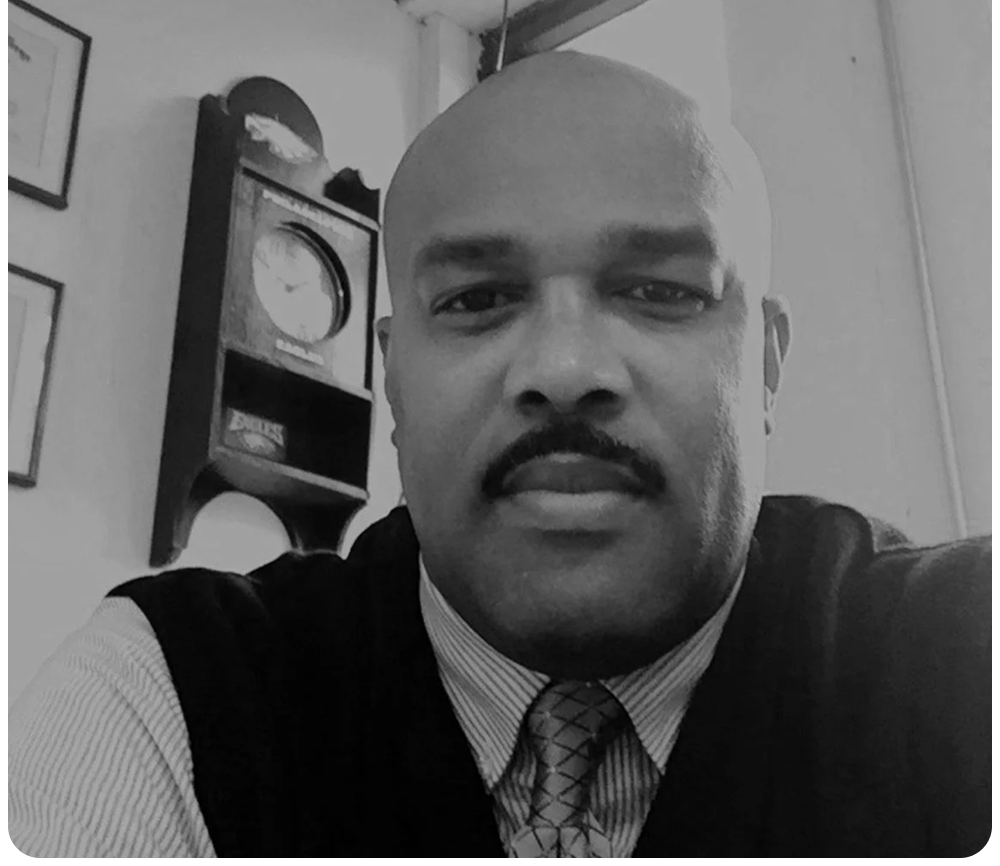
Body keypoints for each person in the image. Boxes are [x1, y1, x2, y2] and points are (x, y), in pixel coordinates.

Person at [9, 52, 990, 858]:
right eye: (476, 300)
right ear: (393, 379)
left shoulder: (956, 660)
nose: (565, 370)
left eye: (660, 291)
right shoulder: (173, 695)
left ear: (765, 365)